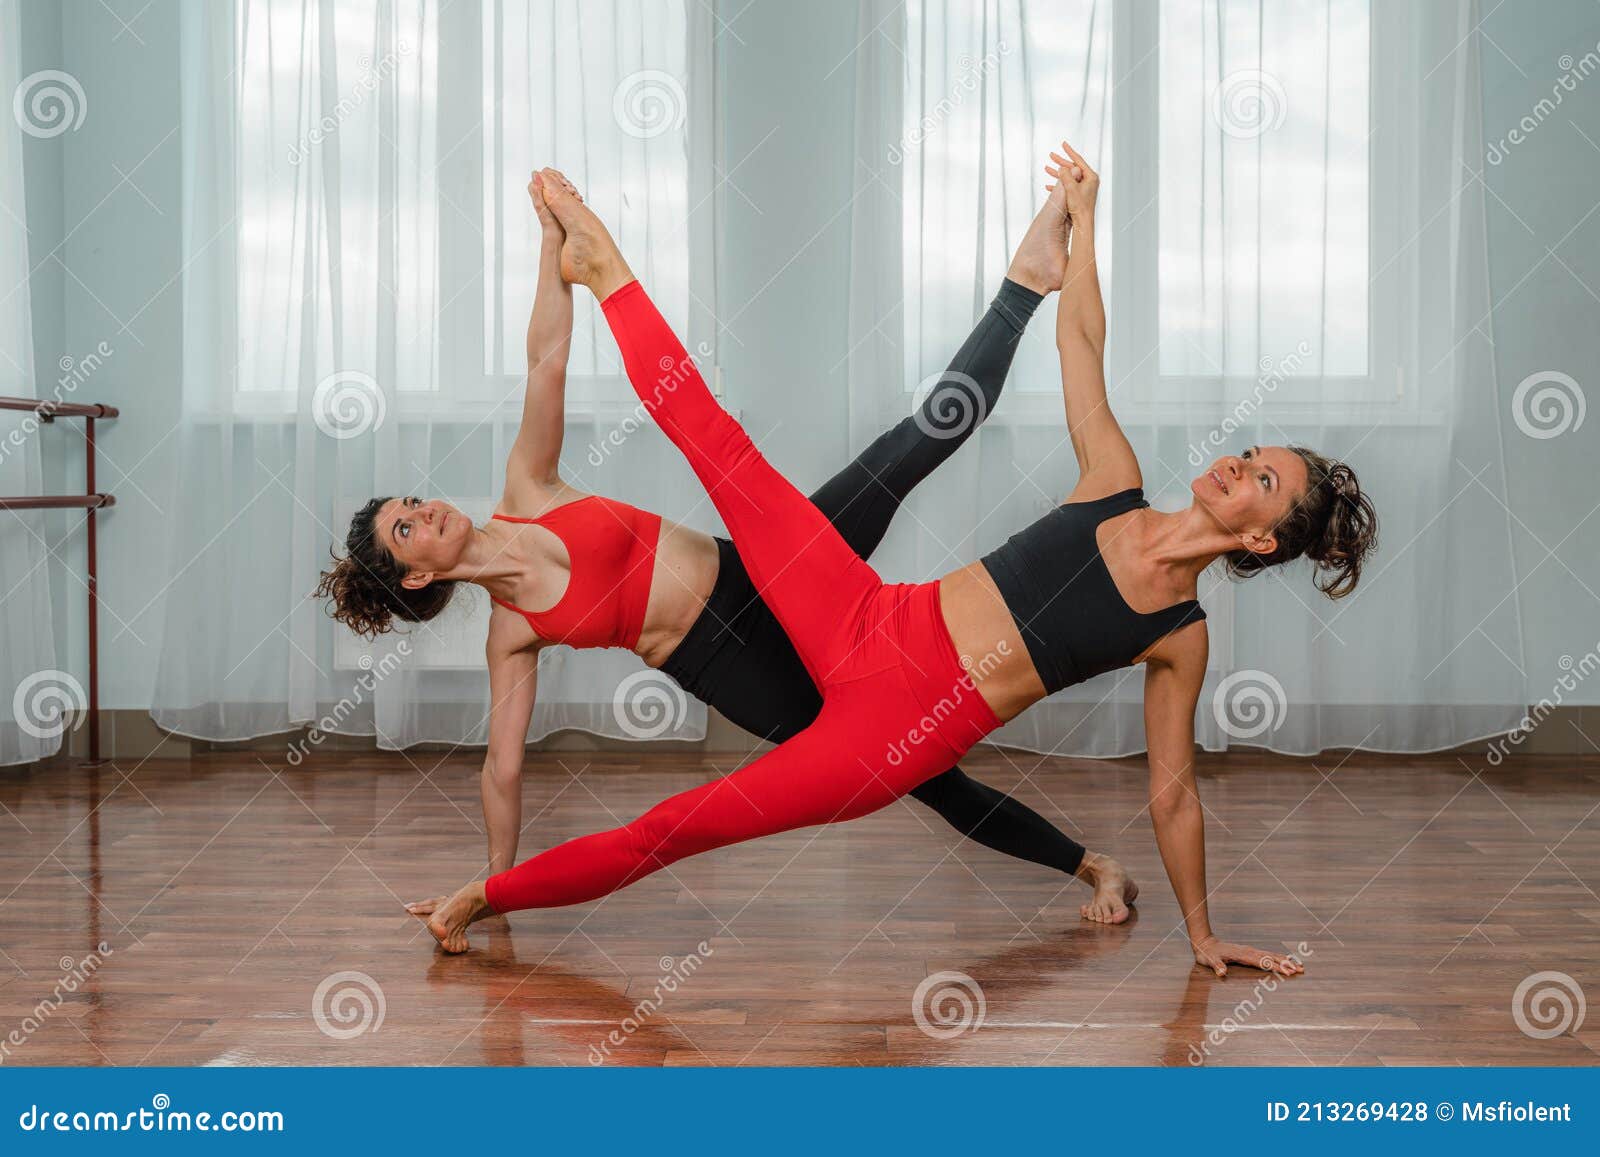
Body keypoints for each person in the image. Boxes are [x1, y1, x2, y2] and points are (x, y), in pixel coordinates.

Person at [415, 147, 1376, 978]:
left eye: (1261, 482)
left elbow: (1173, 793)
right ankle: (610, 269)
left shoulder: (1180, 634)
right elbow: (1083, 338)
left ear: (1260, 539)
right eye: (1250, 454)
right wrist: (1081, 223)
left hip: (896, 732)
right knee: (725, 452)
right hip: (872, 614)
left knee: (680, 825)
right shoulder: (1114, 481)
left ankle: (485, 896)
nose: (1236, 466)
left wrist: (1204, 933)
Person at [318, 171, 1137, 926]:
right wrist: (490, 886)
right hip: (733, 666)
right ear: (419, 572)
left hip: (762, 568)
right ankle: (1092, 864)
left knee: (914, 443)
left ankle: (1025, 283)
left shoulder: (527, 488)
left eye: (414, 502)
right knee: (923, 773)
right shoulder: (512, 633)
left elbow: (546, 362)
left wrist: (552, 253)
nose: (425, 511)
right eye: (407, 526)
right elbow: (501, 768)